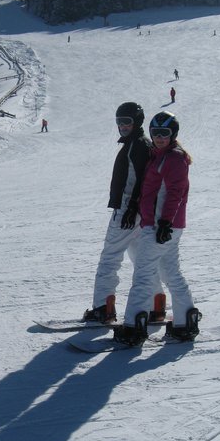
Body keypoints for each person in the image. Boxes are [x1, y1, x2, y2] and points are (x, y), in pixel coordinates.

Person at [112, 111, 201, 346]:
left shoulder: (173, 159)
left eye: (165, 133)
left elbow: (175, 193)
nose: (160, 137)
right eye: (156, 133)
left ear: (173, 134)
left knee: (143, 273)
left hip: (161, 226)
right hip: (162, 225)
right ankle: (185, 320)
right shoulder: (159, 156)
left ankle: (134, 326)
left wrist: (164, 223)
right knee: (170, 272)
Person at [82, 102, 166, 325]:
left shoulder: (137, 146)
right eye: (119, 122)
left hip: (128, 211)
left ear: (137, 122)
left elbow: (142, 179)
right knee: (140, 258)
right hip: (138, 212)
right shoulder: (139, 144)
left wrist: (131, 207)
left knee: (109, 258)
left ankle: (103, 308)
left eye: (127, 122)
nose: (122, 126)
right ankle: (156, 304)